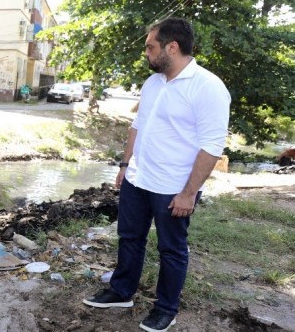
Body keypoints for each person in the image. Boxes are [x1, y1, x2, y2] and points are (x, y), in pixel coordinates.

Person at [82, 18, 230, 332]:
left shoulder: (208, 87)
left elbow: (212, 146)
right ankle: (122, 292)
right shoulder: (153, 83)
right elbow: (138, 126)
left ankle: (166, 309)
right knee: (129, 237)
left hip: (173, 186)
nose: (146, 53)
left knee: (171, 249)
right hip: (138, 178)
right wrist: (124, 167)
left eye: (151, 47)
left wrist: (188, 192)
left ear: (171, 47)